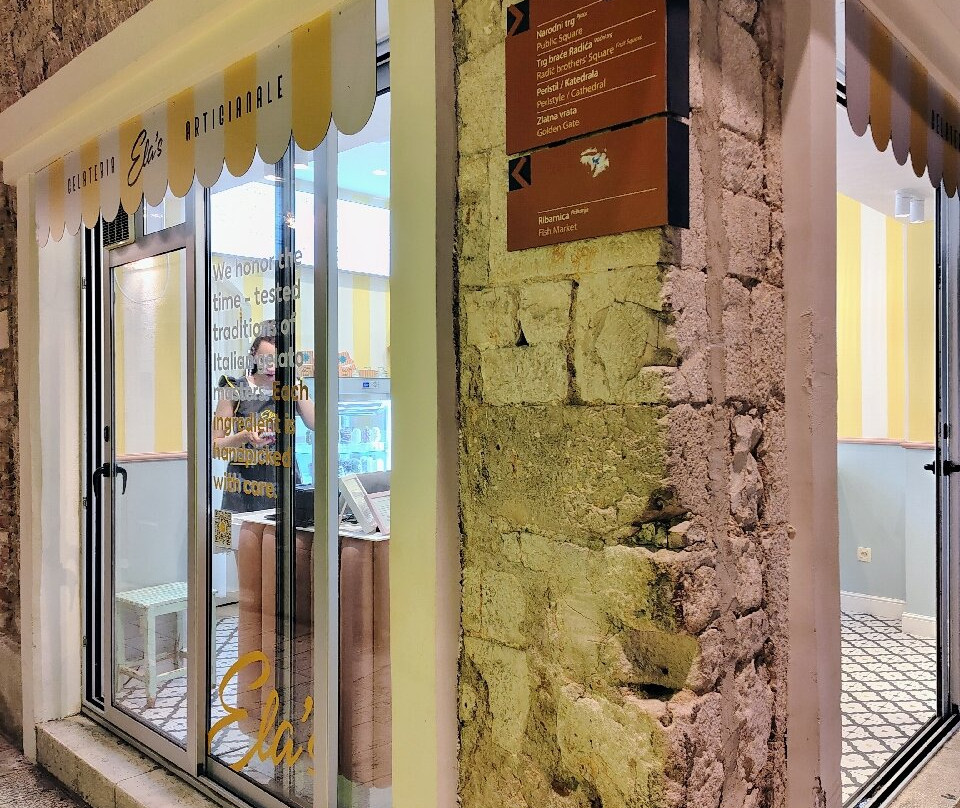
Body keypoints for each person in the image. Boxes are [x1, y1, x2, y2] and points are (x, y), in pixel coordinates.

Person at [212, 324, 315, 512]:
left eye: (278, 360)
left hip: (283, 480)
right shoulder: (234, 388)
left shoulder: (292, 388)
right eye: (264, 359)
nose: (271, 367)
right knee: (244, 531)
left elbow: (316, 424)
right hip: (243, 485)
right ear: (253, 356)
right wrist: (244, 436)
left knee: (283, 530)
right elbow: (214, 446)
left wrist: (294, 381)